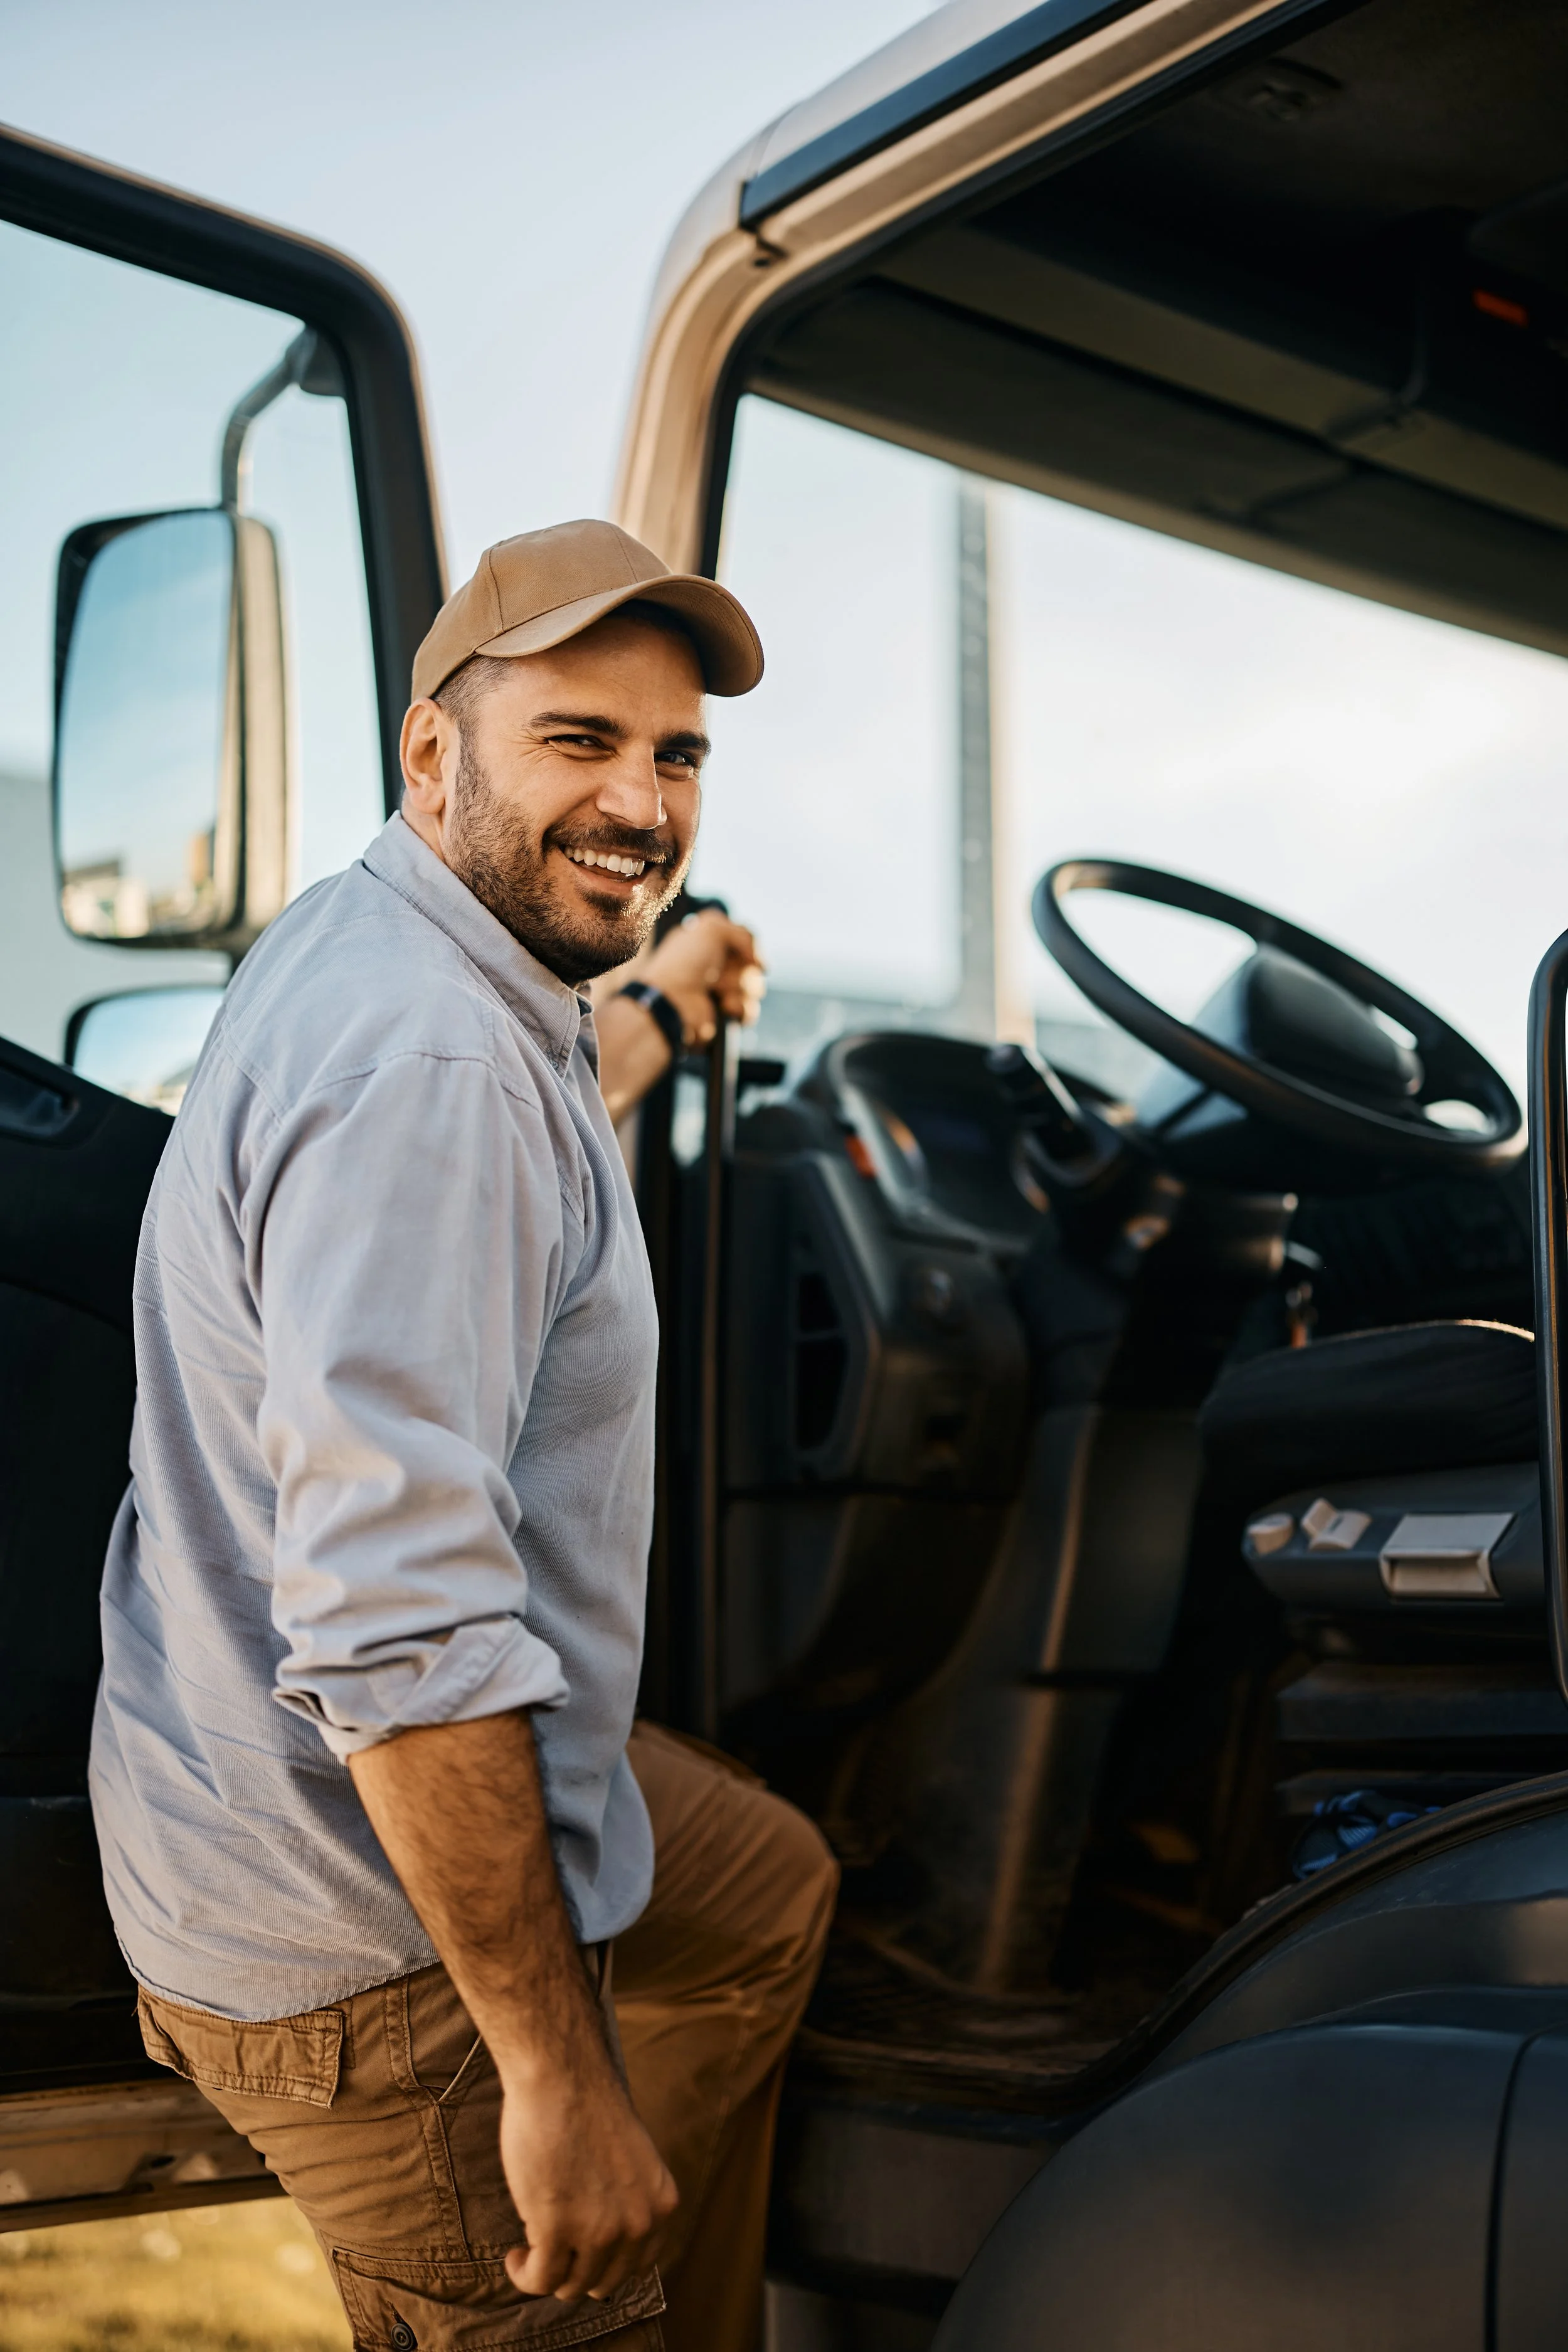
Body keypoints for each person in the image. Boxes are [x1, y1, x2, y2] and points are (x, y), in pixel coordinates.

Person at [89, 519, 839, 2352]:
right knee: (553, 2283)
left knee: (759, 1890)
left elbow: (527, 1111)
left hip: (220, 1775)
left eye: (673, 756)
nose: (644, 802)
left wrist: (663, 995)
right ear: (432, 755)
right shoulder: (429, 1071)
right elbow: (401, 1633)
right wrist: (552, 2075)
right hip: (357, 1943)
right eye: (575, 741)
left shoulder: (396, 949)